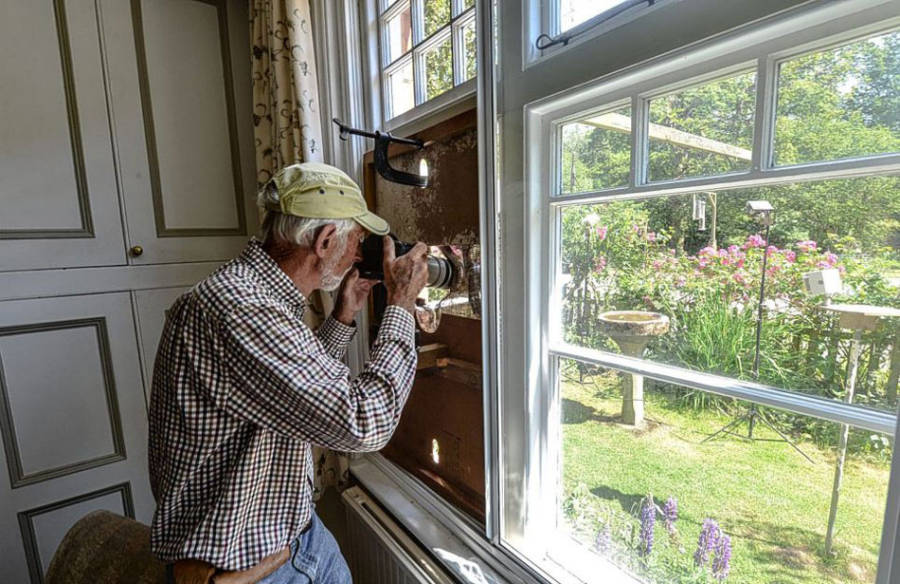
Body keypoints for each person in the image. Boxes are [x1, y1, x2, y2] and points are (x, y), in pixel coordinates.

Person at [148, 162, 428, 583]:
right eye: (357, 240)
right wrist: (401, 304)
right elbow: (363, 422)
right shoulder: (245, 311)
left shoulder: (248, 293)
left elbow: (294, 392)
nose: (358, 253)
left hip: (280, 539)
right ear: (325, 240)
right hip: (249, 567)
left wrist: (344, 314)